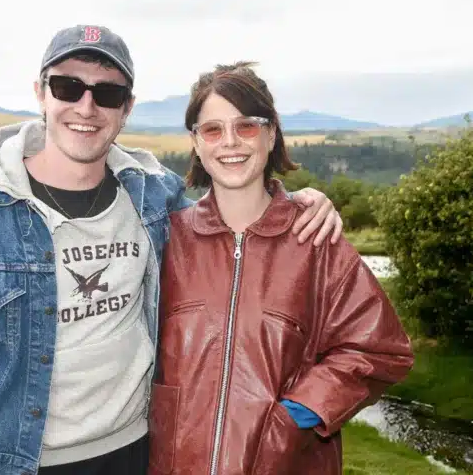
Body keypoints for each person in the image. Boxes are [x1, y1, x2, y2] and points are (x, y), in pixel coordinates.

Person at [0, 25, 343, 475]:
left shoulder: (154, 199)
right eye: (68, 86)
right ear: (40, 93)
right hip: (22, 463)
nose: (86, 107)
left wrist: (294, 203)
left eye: (107, 94)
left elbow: (231, 225)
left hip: (139, 452)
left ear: (126, 108)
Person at [147, 61, 414, 475]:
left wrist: (298, 415)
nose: (230, 142)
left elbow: (380, 349)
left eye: (247, 126)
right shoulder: (166, 238)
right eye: (213, 130)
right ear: (196, 143)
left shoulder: (315, 239)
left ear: (271, 134)